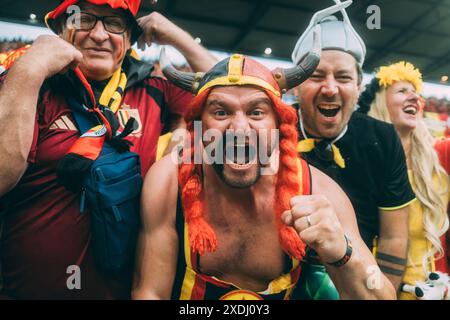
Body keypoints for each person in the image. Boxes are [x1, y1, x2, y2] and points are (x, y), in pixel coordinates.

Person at [132, 35, 396, 299]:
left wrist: (342, 251)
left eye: (256, 112)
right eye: (221, 112)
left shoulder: (317, 191)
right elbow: (150, 292)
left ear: (278, 126)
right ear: (199, 126)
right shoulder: (168, 181)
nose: (239, 129)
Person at [0, 0, 216, 299]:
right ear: (61, 30)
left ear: (128, 40)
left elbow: (231, 91)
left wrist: (176, 35)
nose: (100, 35)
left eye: (114, 24)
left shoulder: (155, 89)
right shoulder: (30, 83)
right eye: (84, 19)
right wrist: (30, 69)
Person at [291, 2, 415, 292]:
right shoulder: (271, 130)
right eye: (317, 75)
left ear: (359, 86)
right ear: (296, 86)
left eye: (343, 77)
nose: (331, 88)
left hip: (356, 276)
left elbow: (394, 237)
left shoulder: (383, 137)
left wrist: (381, 291)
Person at [358, 61, 450, 299]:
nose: (414, 98)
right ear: (380, 102)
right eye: (402, 91)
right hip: (377, 291)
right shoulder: (360, 161)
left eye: (415, 93)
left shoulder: (440, 157)